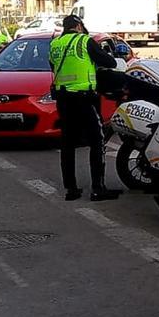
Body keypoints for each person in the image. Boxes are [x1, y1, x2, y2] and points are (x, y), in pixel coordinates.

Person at [50, 15, 122, 202]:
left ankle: (71, 189)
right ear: (79, 26)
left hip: (63, 100)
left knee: (67, 143)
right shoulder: (84, 41)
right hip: (84, 98)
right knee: (97, 141)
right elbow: (110, 62)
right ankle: (98, 188)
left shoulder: (55, 44)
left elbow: (53, 66)